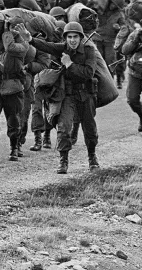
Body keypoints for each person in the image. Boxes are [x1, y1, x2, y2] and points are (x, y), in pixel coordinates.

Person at [18, 22, 99, 174]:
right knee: (63, 128)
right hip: (67, 96)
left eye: (75, 37)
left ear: (81, 38)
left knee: (89, 129)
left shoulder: (89, 51)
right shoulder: (63, 48)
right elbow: (47, 46)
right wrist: (30, 40)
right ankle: (63, 160)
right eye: (69, 37)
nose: (72, 40)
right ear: (66, 38)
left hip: (85, 95)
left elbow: (89, 73)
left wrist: (69, 64)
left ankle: (92, 157)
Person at [0, 22, 35, 162]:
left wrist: (10, 35)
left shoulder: (23, 44)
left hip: (13, 88)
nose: (12, 29)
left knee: (14, 119)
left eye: (14, 27)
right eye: (9, 27)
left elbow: (13, 49)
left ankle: (14, 148)